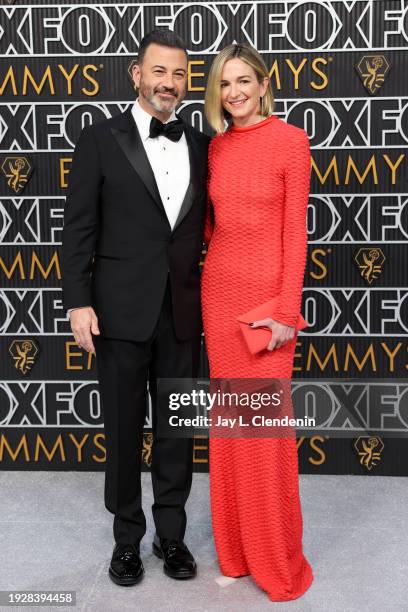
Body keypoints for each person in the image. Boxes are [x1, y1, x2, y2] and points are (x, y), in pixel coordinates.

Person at [61, 30, 210, 586]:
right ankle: (127, 540)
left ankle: (171, 536)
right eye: (159, 72)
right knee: (123, 433)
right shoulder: (100, 139)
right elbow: (78, 229)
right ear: (136, 73)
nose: (168, 84)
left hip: (183, 312)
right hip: (117, 312)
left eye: (178, 75)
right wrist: (77, 302)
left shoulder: (201, 142)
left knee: (177, 431)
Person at [201, 43, 314, 601]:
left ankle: (274, 557)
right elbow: (209, 228)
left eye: (244, 80)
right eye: (225, 83)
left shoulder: (291, 141)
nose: (235, 92)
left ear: (263, 84)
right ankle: (237, 552)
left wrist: (286, 313)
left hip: (267, 305)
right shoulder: (216, 148)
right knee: (231, 428)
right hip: (219, 292)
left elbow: (297, 234)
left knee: (264, 433)